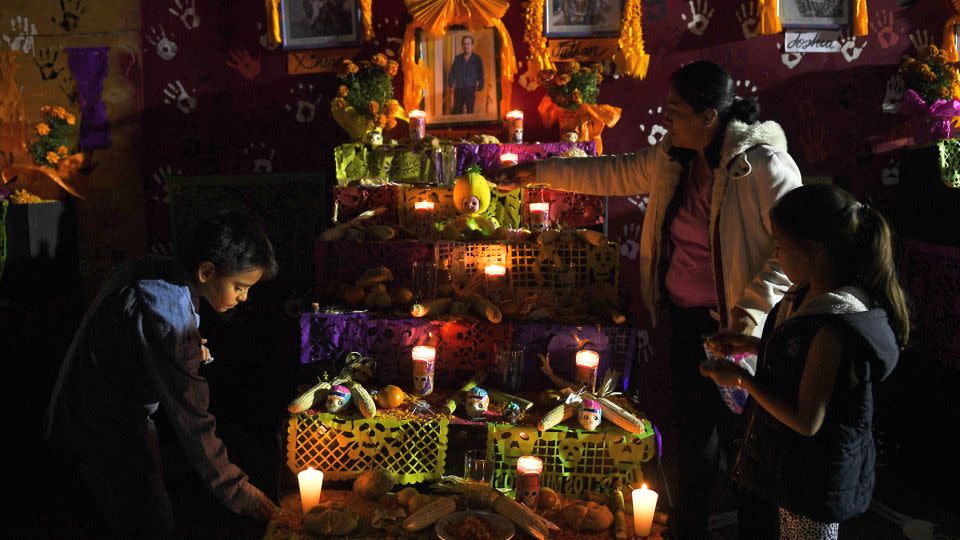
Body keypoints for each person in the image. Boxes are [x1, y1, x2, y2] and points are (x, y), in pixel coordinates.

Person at [495, 60, 802, 539]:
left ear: (708, 116)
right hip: (687, 325)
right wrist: (540, 172)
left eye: (676, 111)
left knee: (748, 457)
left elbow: (792, 253)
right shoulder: (675, 157)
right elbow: (615, 173)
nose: (667, 118)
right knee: (691, 451)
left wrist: (750, 313)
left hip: (741, 337)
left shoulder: (761, 165)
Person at [44, 211, 288, 538]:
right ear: (206, 272)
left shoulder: (159, 271)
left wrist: (182, 350)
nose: (244, 298)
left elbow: (140, 336)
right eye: (239, 287)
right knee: (148, 521)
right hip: (102, 424)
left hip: (89, 406)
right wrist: (238, 492)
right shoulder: (168, 318)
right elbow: (193, 419)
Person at [701, 184, 907, 539]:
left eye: (780, 247)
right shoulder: (806, 296)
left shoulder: (834, 325)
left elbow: (807, 420)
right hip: (794, 466)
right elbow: (796, 362)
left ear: (812, 252)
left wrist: (742, 379)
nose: (776, 256)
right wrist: (750, 344)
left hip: (815, 478)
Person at [448, 35, 484, 114]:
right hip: (459, 90)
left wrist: (479, 88)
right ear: (462, 45)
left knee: (470, 111)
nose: (466, 46)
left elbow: (481, 75)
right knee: (457, 112)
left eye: (468, 44)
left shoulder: (477, 59)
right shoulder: (458, 59)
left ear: (472, 45)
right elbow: (452, 73)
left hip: (471, 90)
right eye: (464, 44)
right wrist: (451, 84)